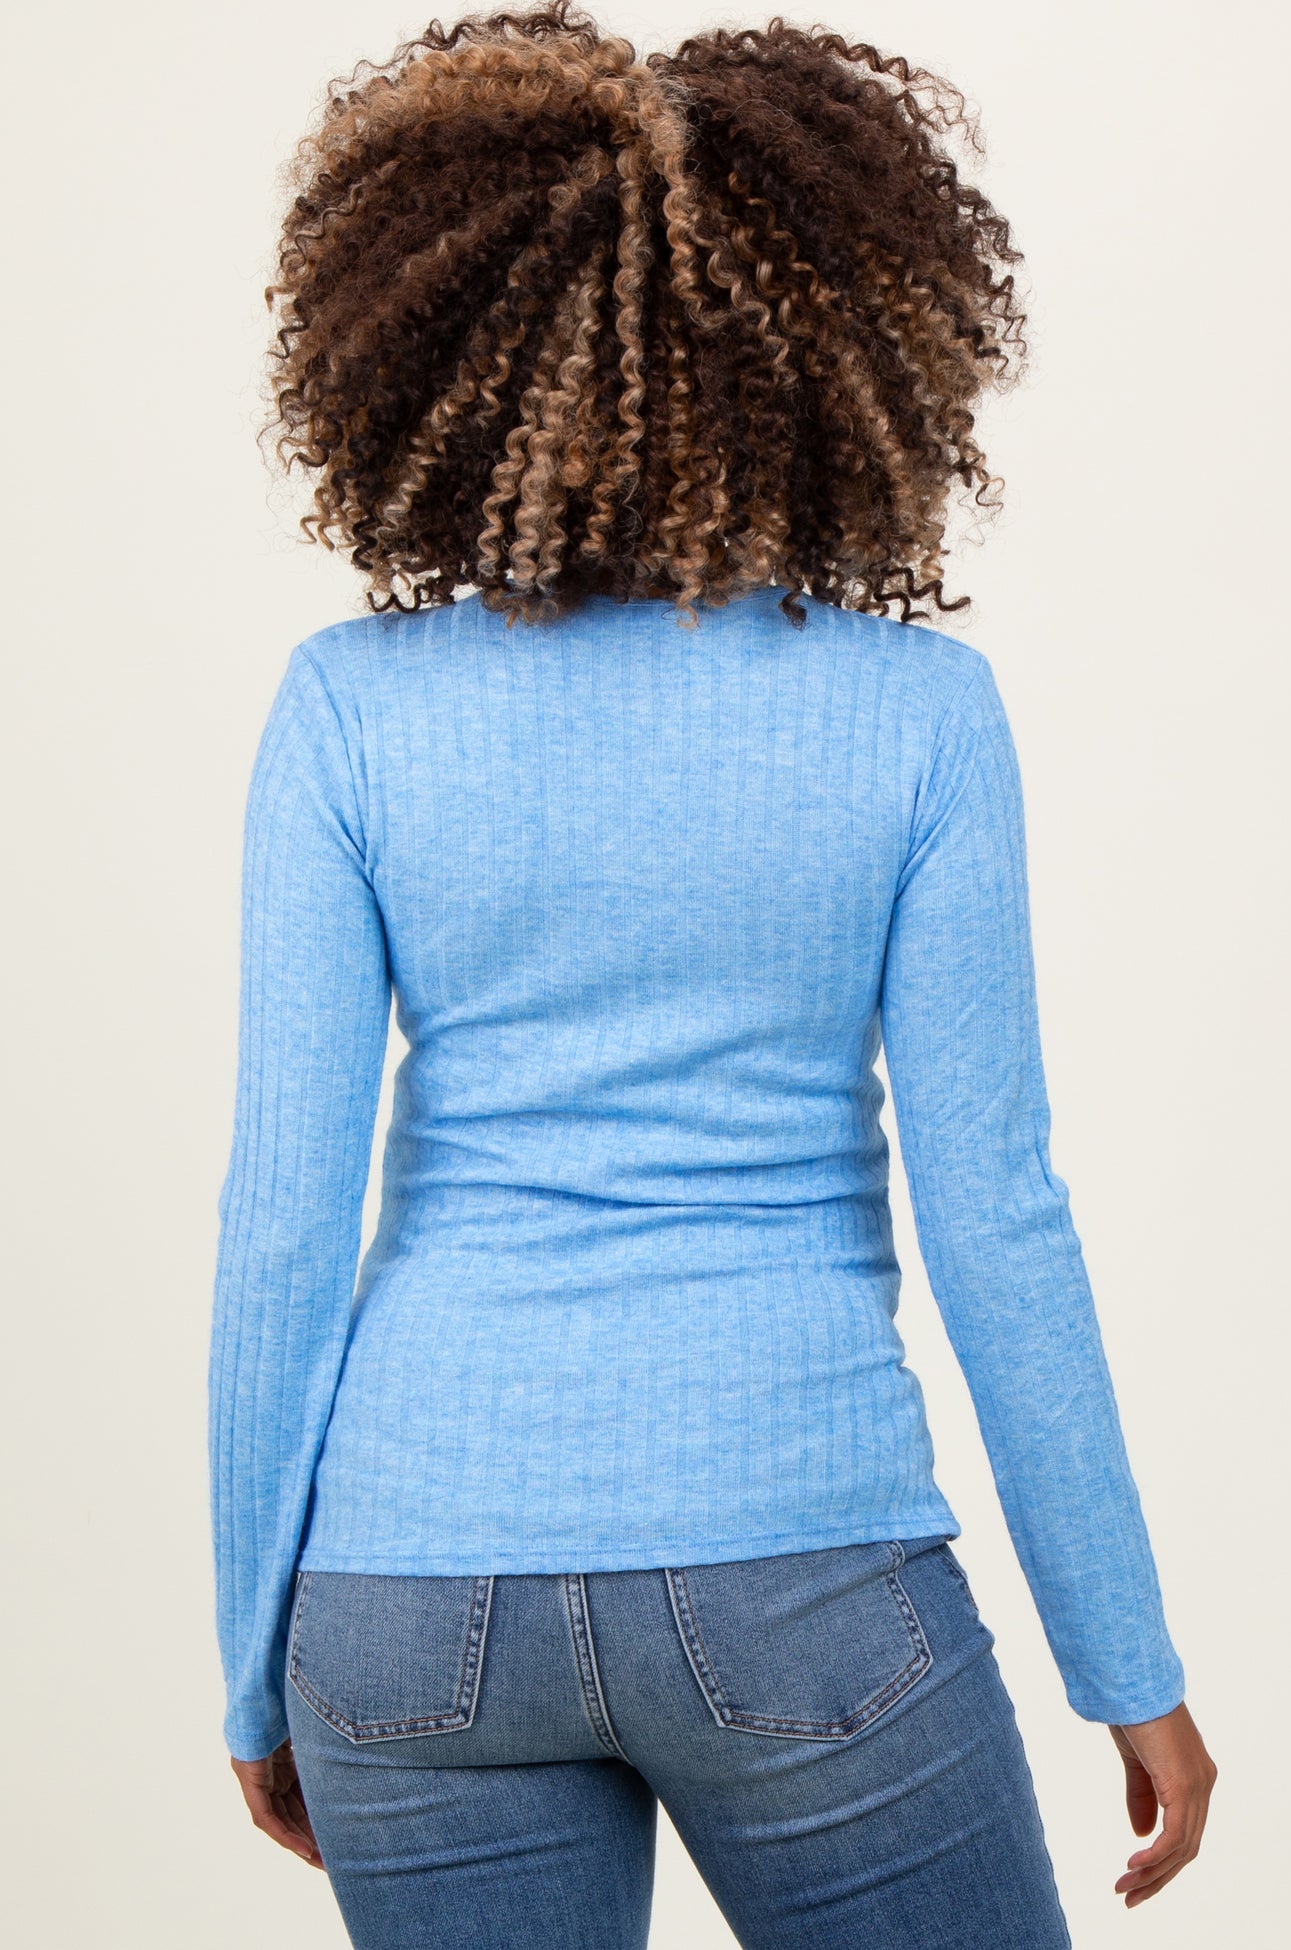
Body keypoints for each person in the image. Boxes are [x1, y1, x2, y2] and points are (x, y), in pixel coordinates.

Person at [207, 6, 1217, 1943]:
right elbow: (997, 1218)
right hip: (802, 1576)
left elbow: (280, 1222)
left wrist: (255, 1652)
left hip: (407, 1605)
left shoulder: (349, 713)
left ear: (438, 349)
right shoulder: (916, 717)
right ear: (837, 350)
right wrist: (1127, 1659)